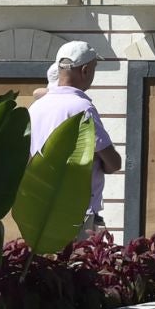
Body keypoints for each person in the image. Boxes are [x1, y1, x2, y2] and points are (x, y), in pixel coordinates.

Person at [27, 41, 123, 236]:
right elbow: (113, 163)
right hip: (76, 212)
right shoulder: (82, 108)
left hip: (39, 208)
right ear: (85, 70)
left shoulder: (36, 108)